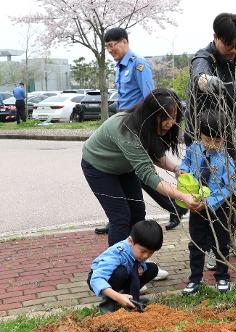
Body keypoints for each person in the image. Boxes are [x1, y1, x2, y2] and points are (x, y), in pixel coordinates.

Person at [82, 89, 201, 276]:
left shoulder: (147, 126)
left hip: (123, 168)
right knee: (120, 218)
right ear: (152, 114)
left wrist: (176, 169)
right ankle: (117, 271)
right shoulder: (127, 130)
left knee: (137, 213)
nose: (171, 122)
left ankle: (139, 262)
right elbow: (148, 175)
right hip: (98, 168)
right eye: (166, 117)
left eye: (175, 116)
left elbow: (154, 154)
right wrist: (182, 196)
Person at [94, 27, 187, 235]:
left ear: (125, 42)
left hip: (141, 128)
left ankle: (173, 208)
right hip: (125, 128)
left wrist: (154, 126)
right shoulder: (120, 66)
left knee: (142, 173)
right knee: (136, 176)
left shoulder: (139, 64)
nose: (110, 50)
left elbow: (150, 99)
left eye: (113, 45)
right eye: (107, 46)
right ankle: (120, 216)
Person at [185, 13, 236, 265]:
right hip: (201, 137)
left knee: (229, 190)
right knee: (207, 192)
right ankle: (210, 246)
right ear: (215, 38)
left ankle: (229, 240)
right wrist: (206, 81)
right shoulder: (204, 57)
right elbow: (199, 75)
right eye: (229, 45)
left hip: (226, 136)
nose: (234, 50)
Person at [180, 110, 236, 295]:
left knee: (221, 243)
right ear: (200, 135)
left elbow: (229, 186)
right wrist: (182, 170)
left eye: (217, 141)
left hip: (219, 208)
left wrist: (210, 201)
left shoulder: (227, 159)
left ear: (225, 136)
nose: (212, 145)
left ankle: (222, 276)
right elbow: (186, 162)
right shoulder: (194, 149)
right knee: (196, 243)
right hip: (197, 206)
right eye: (207, 140)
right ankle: (195, 278)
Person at [87, 220, 163, 313]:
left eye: (151, 252)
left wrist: (141, 267)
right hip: (99, 278)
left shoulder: (138, 251)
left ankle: (132, 299)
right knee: (121, 272)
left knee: (152, 268)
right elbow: (96, 279)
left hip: (127, 273)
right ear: (131, 241)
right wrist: (118, 297)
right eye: (143, 251)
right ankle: (110, 303)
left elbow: (140, 261)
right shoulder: (117, 253)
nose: (146, 256)